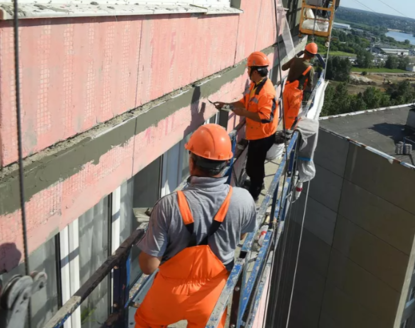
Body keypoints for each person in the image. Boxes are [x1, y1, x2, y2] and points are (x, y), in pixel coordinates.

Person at [134, 124, 257, 328]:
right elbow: (242, 237)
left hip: (169, 296)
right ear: (227, 163)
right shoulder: (243, 199)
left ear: (191, 163)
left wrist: (145, 240)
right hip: (213, 294)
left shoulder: (168, 205)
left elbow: (148, 267)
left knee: (146, 323)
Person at [214, 51, 278, 200]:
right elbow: (245, 101)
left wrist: (243, 113)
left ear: (255, 71)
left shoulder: (266, 92)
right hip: (257, 134)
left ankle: (254, 195)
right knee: (256, 165)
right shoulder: (255, 85)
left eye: (249, 68)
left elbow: (266, 117)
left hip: (263, 135)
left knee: (253, 167)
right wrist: (228, 105)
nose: (247, 71)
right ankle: (257, 183)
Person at [281, 42, 320, 129]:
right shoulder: (310, 69)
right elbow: (310, 86)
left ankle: (284, 131)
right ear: (313, 56)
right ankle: (287, 135)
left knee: (285, 113)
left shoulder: (295, 60)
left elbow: (283, 67)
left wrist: (295, 57)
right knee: (291, 117)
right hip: (296, 94)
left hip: (286, 90)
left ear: (304, 51)